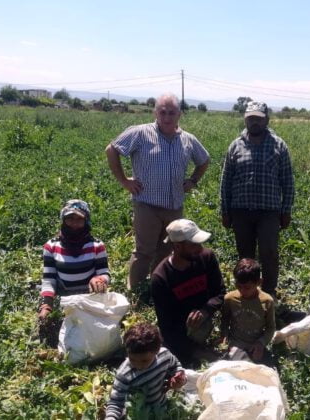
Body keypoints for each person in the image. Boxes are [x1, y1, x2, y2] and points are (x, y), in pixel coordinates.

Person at [106, 93, 210, 290]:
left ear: (179, 114)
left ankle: (157, 289)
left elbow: (204, 160)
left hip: (174, 207)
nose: (167, 117)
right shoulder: (140, 133)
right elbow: (112, 150)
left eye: (172, 113)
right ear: (155, 112)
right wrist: (124, 181)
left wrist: (193, 180)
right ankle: (135, 292)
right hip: (147, 204)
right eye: (162, 112)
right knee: (144, 251)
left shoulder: (188, 139)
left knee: (167, 250)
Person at [220, 101, 295, 297]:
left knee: (269, 253)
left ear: (267, 120)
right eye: (251, 118)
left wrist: (286, 210)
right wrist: (225, 211)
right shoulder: (235, 146)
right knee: (245, 255)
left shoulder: (279, 145)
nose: (254, 122)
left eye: (258, 119)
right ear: (245, 119)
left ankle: (268, 293)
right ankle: (247, 292)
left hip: (269, 212)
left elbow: (287, 181)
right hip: (241, 211)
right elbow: (226, 181)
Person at [150, 219, 226, 367]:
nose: (200, 248)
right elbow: (167, 327)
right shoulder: (161, 278)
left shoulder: (207, 258)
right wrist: (200, 352)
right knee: (170, 349)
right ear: (177, 246)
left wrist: (205, 310)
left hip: (205, 318)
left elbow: (220, 292)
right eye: (194, 245)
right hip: (180, 327)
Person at [38, 199, 110, 347]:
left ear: (86, 221)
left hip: (89, 297)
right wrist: (47, 305)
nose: (74, 223)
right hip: (64, 298)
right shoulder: (51, 246)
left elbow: (104, 273)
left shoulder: (96, 245)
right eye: (70, 218)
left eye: (79, 219)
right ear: (63, 220)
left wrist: (100, 279)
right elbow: (49, 278)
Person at [105, 323, 186, 420]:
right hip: (137, 415)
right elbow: (116, 403)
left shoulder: (164, 356)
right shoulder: (124, 374)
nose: (138, 366)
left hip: (161, 407)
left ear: (156, 351)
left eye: (144, 361)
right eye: (132, 359)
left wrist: (179, 379)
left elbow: (176, 367)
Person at [221, 258, 276, 364]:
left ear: (259, 282)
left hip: (256, 343)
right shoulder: (230, 299)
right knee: (237, 364)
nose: (242, 291)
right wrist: (224, 335)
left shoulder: (267, 301)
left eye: (247, 287)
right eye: (238, 286)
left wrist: (261, 343)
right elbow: (225, 319)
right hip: (236, 343)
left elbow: (271, 327)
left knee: (264, 368)